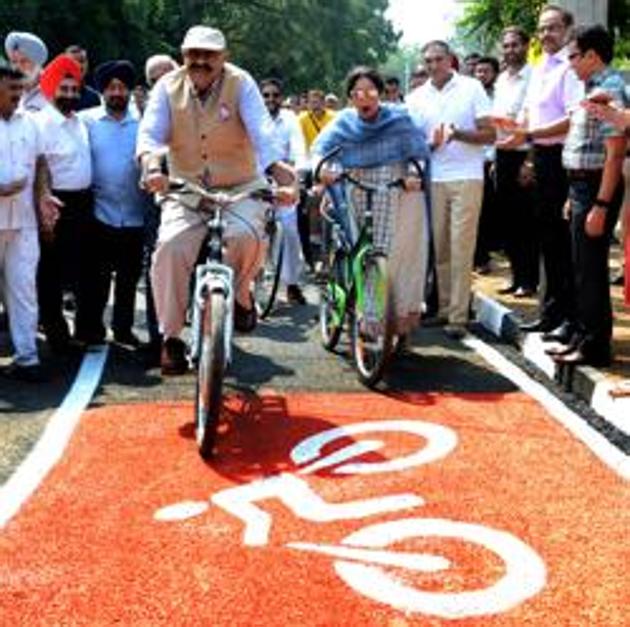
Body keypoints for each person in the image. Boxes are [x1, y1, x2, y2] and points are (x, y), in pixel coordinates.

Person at [137, 25, 296, 376]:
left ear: (224, 58)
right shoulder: (167, 87)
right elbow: (149, 135)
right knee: (170, 248)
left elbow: (262, 132)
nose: (200, 61)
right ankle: (172, 337)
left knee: (247, 236)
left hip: (239, 186)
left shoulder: (242, 84)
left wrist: (279, 170)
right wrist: (151, 167)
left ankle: (241, 296)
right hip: (187, 188)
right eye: (193, 54)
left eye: (209, 55)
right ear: (183, 55)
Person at [312, 66, 432, 337]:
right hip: (354, 190)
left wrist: (413, 175)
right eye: (357, 93)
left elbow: (418, 154)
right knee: (358, 249)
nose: (364, 98)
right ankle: (366, 315)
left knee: (393, 255)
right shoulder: (343, 121)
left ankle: (392, 317)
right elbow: (321, 151)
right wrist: (324, 170)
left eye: (370, 91)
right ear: (350, 97)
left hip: (394, 192)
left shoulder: (399, 119)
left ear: (380, 94)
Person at [497, 4, 583, 341]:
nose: (547, 34)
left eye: (553, 28)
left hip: (564, 158)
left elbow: (572, 118)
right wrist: (517, 133)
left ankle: (570, 318)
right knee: (547, 239)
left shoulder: (570, 67)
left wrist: (530, 135)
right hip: (543, 158)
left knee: (564, 243)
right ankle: (550, 315)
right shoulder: (539, 68)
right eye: (542, 28)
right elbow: (531, 117)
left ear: (567, 30)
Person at [546, 25, 627, 366]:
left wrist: (601, 204)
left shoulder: (609, 90)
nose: (570, 64)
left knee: (591, 269)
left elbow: (614, 153)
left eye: (574, 56)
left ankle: (595, 346)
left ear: (593, 55)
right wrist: (573, 195)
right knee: (580, 267)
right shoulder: (592, 88)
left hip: (597, 187)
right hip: (581, 186)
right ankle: (582, 335)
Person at [407, 40, 494, 339]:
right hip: (433, 178)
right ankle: (444, 309)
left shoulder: (472, 88)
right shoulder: (416, 97)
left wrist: (458, 134)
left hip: (467, 177)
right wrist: (428, 145)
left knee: (461, 247)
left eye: (438, 59)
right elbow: (411, 142)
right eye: (428, 61)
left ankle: (458, 316)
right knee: (440, 248)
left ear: (450, 60)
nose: (433, 65)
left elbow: (490, 134)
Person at [80, 60, 148, 347]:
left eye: (122, 88)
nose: (117, 93)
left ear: (130, 91)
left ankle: (123, 328)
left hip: (134, 213)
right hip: (99, 212)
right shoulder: (87, 121)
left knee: (128, 278)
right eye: (111, 88)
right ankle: (90, 329)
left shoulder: (143, 125)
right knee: (96, 277)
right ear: (102, 91)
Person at [0, 59, 57, 381]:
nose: (19, 94)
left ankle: (27, 358)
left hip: (23, 223)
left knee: (23, 290)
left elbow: (42, 164)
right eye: (12, 88)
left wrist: (44, 195)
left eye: (21, 88)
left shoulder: (30, 122)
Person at [35, 54, 93, 350]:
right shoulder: (42, 123)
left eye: (74, 90)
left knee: (76, 268)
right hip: (56, 204)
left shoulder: (79, 122)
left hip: (83, 203)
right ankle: (55, 333)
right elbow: (37, 167)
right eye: (64, 89)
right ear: (51, 89)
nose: (70, 95)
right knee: (51, 271)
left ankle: (77, 330)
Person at [492, 26, 537, 297]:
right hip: (502, 154)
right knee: (507, 220)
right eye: (506, 46)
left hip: (525, 153)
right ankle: (516, 276)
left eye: (515, 45)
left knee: (525, 222)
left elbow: (535, 121)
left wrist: (530, 161)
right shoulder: (501, 80)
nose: (510, 51)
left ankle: (529, 280)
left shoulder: (534, 76)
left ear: (526, 46)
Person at [261, 77, 308, 304]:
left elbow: (299, 150)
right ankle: (250, 284)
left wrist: (298, 176)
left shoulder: (290, 119)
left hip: (284, 180)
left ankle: (291, 283)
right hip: (256, 179)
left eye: (275, 95)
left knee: (289, 231)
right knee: (251, 231)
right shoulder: (252, 117)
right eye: (266, 95)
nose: (270, 99)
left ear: (282, 98)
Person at [297, 89, 337, 270]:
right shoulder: (302, 120)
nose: (315, 105)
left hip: (331, 165)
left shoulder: (334, 118)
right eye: (311, 101)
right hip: (308, 166)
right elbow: (299, 146)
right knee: (309, 200)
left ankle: (326, 252)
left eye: (318, 101)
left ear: (323, 102)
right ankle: (312, 249)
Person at [473, 56, 500, 275]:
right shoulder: (469, 96)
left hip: (494, 160)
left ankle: (484, 257)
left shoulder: (499, 96)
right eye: (478, 71)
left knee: (488, 213)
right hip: (474, 162)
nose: (482, 75)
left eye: (486, 71)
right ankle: (478, 257)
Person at [4, 32, 48, 112]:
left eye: (24, 61)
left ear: (38, 64)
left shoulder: (57, 92)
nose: (17, 67)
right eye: (14, 62)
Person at [65, 45, 101, 111]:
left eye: (81, 61)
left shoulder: (94, 98)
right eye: (73, 61)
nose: (78, 65)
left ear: (87, 64)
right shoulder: (51, 94)